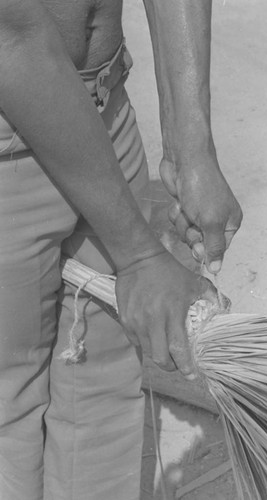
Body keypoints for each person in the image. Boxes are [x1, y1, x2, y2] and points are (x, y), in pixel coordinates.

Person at [0, 0, 242, 499]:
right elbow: (12, 36)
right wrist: (138, 254)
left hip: (107, 114)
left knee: (104, 395)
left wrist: (191, 149)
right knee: (8, 412)